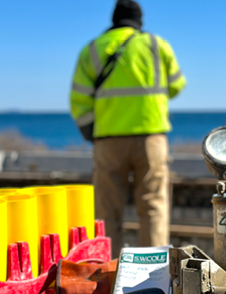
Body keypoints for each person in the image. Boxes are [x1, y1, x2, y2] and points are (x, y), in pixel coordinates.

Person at [70, 0, 186, 257]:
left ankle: (108, 273)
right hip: (151, 137)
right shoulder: (157, 45)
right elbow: (177, 85)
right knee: (153, 206)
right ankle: (154, 274)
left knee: (107, 210)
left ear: (113, 20)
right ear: (140, 21)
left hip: (108, 140)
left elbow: (78, 99)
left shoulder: (92, 49)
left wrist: (91, 132)